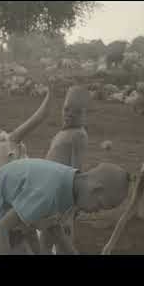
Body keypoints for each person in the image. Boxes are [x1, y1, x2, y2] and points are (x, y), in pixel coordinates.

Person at [0, 158, 130, 255]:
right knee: (17, 246)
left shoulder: (72, 184)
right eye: (100, 205)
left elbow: (55, 229)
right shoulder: (48, 193)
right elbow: (2, 228)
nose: (96, 212)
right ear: (95, 189)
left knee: (32, 236)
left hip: (16, 200)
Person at [42, 85, 89, 253]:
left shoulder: (79, 135)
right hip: (50, 193)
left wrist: (72, 206)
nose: (69, 114)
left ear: (85, 115)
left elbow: (76, 169)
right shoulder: (64, 133)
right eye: (66, 109)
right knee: (46, 237)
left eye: (76, 112)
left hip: (63, 197)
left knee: (63, 239)